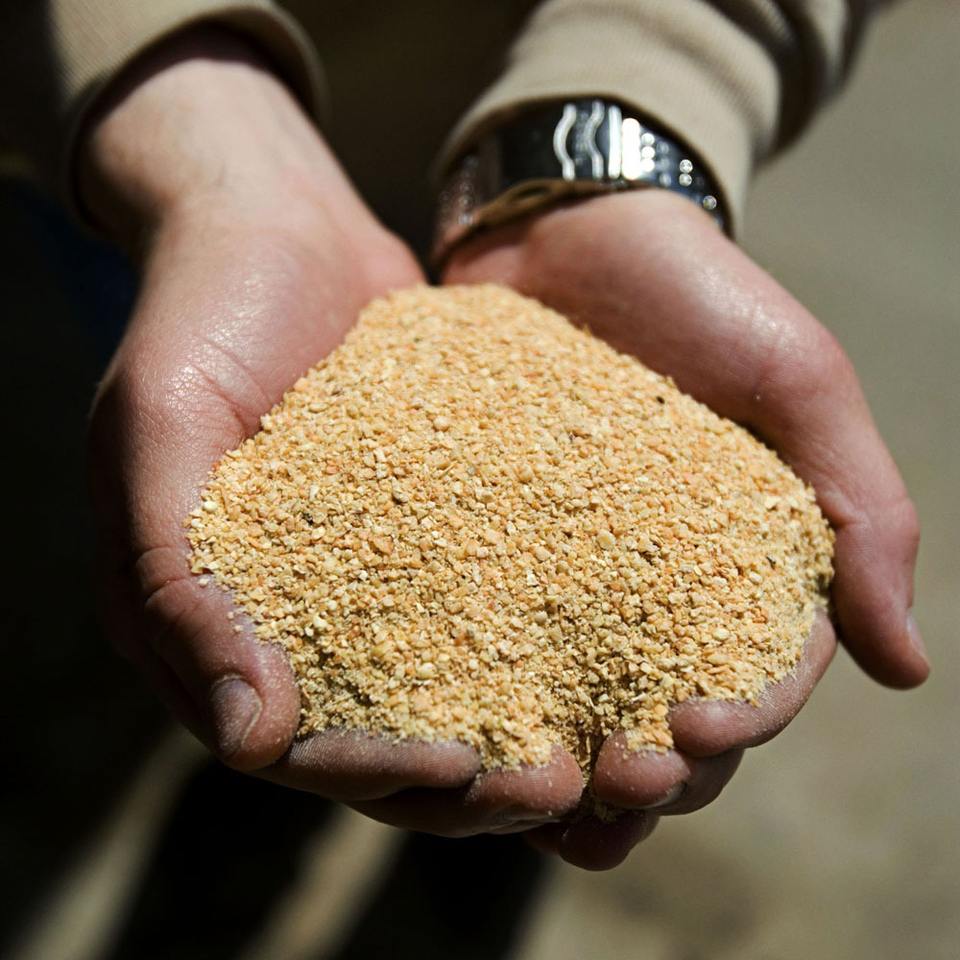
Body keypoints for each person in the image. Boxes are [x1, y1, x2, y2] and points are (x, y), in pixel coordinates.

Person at [0, 0, 928, 871]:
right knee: (165, 414)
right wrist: (183, 121)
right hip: (154, 140)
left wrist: (651, 88)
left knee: (573, 769)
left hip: (534, 135)